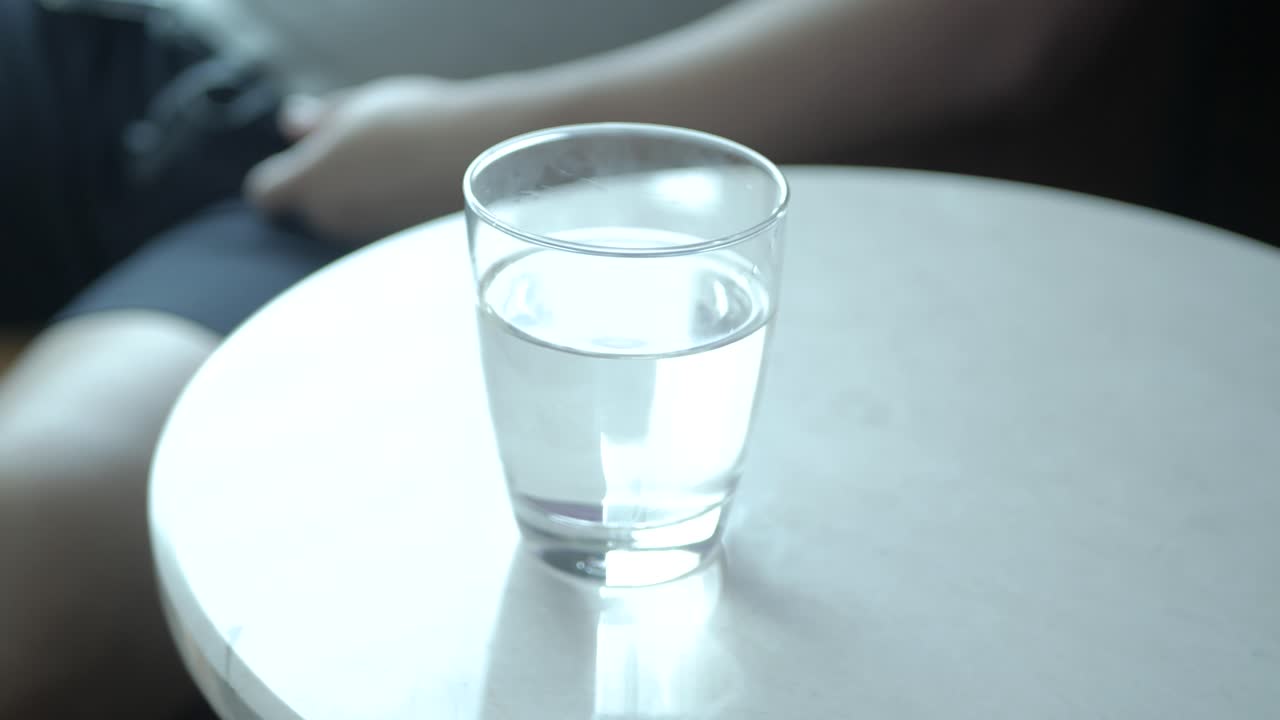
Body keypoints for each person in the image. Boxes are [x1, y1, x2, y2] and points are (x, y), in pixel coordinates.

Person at [4, 0, 1233, 716]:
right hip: (73, 45)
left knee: (26, 584)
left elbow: (992, 30)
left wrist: (483, 153)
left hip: (349, 173)